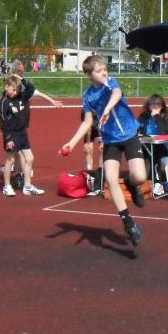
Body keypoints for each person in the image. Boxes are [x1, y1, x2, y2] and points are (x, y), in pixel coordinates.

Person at [60, 55, 146, 246]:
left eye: (105, 69)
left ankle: (131, 184)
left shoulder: (110, 84)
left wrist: (107, 108)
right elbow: (87, 122)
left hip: (129, 134)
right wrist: (71, 143)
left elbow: (117, 93)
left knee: (140, 177)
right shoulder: (88, 96)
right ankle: (129, 223)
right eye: (98, 71)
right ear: (89, 75)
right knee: (111, 179)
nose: (104, 73)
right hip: (110, 140)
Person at [5, 59, 63, 188]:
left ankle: (20, 175)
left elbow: (36, 92)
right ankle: (18, 177)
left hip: (22, 122)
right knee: (18, 153)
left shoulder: (23, 86)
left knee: (21, 153)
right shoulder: (11, 86)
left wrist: (52, 101)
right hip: (14, 122)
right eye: (21, 69)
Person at [0, 74, 46, 197]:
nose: (15, 92)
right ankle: (7, 186)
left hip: (22, 133)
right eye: (13, 89)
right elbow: (3, 123)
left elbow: (31, 89)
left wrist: (22, 79)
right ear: (6, 86)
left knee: (30, 158)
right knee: (10, 160)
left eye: (17, 90)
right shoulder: (3, 103)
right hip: (11, 135)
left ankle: (27, 186)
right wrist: (8, 139)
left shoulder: (22, 96)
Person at [137, 94, 168, 183]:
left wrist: (156, 117)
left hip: (163, 146)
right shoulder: (144, 116)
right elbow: (137, 129)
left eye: (158, 104)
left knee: (154, 152)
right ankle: (141, 179)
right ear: (149, 106)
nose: (155, 106)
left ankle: (156, 181)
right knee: (136, 152)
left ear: (162, 106)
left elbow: (164, 133)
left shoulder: (166, 117)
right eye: (153, 104)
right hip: (146, 144)